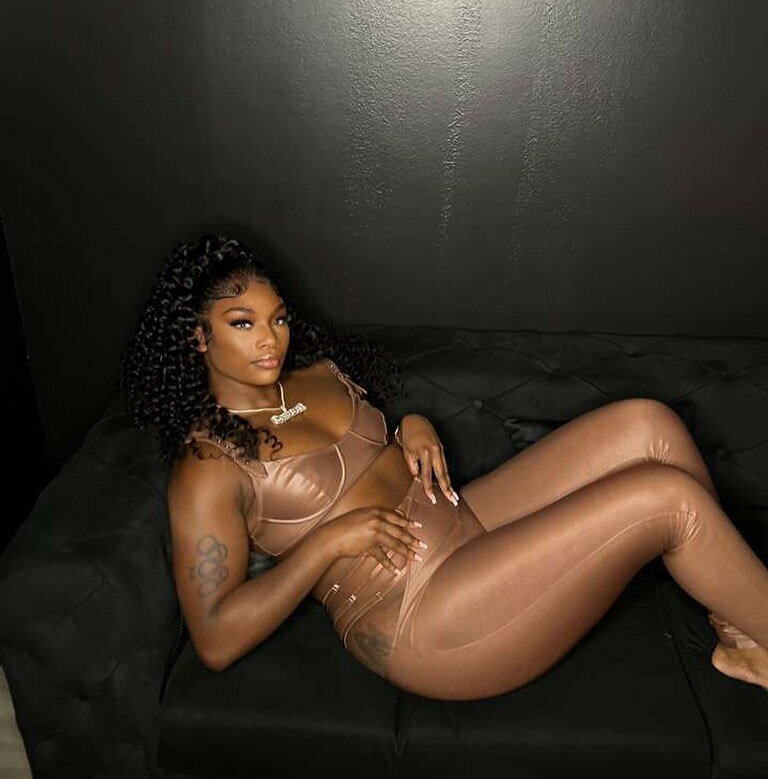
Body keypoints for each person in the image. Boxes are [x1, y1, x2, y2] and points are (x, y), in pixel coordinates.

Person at [120, 232, 768, 701]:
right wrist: (325, 543)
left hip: (464, 521)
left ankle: (743, 635)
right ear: (197, 336)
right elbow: (216, 639)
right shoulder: (208, 465)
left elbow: (369, 453)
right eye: (242, 323)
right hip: (421, 611)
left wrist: (411, 423)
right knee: (668, 500)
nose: (270, 338)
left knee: (648, 424)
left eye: (277, 318)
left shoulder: (315, 373)